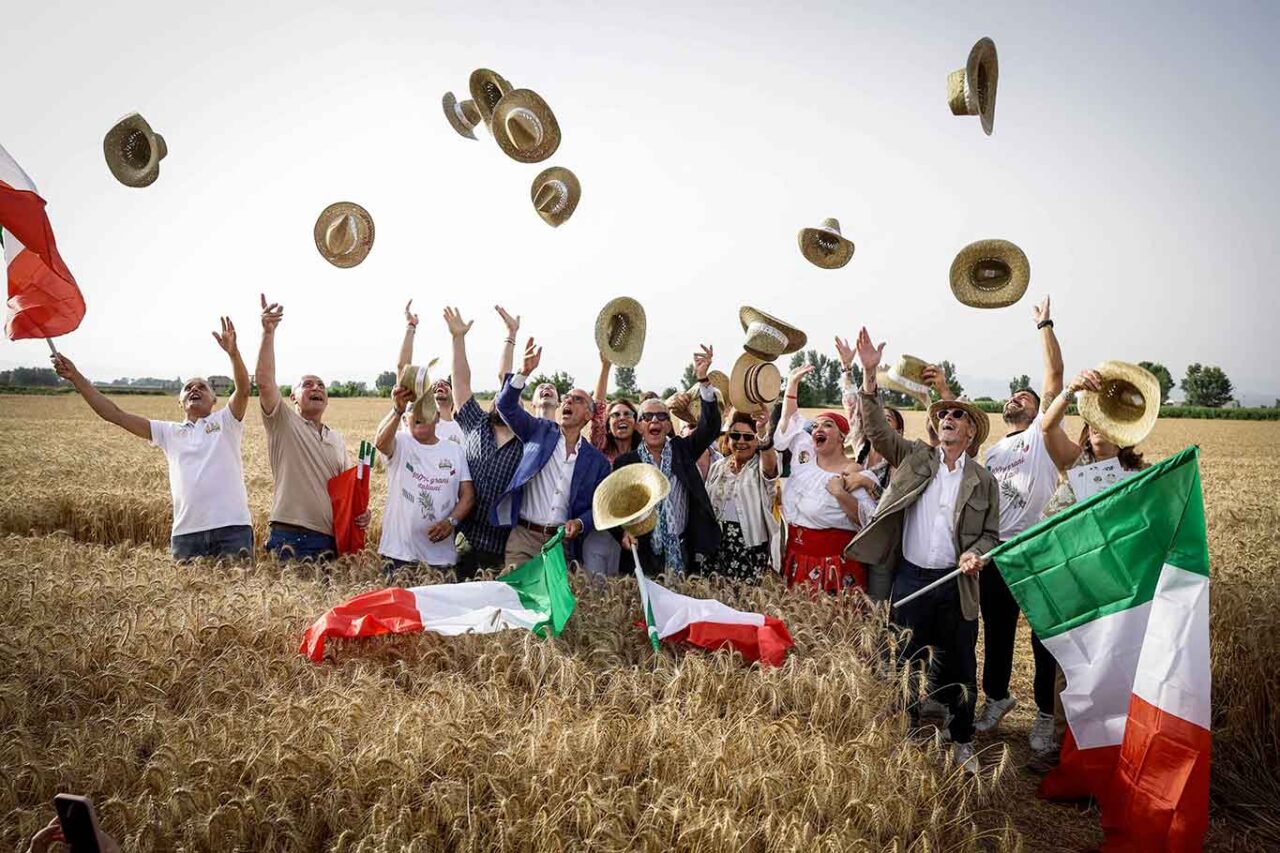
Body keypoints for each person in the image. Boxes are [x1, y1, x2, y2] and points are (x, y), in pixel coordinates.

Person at [845, 326, 1000, 775]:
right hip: (910, 577)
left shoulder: (983, 480)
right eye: (943, 414)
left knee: (959, 667)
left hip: (955, 584)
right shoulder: (915, 457)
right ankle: (908, 732)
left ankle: (962, 738)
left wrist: (977, 554)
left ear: (970, 431)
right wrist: (870, 374)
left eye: (957, 415)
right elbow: (875, 429)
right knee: (905, 660)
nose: (948, 418)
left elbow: (991, 533)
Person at [1025, 367, 1151, 767]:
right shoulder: (1075, 465)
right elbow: (1046, 428)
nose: (1097, 429)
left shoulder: (1140, 478)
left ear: (1123, 431)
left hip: (1117, 588)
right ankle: (1067, 752)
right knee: (1071, 667)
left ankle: (1115, 752)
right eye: (1092, 423)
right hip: (1073, 584)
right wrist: (1071, 390)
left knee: (1115, 668)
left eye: (1106, 424)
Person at [50, 317, 253, 562]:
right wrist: (76, 377)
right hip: (187, 534)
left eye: (202, 387)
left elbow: (243, 389)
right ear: (180, 402)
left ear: (214, 401)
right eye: (188, 388)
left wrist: (233, 353)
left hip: (232, 529)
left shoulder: (226, 422)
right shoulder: (168, 432)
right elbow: (114, 414)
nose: (194, 389)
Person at [973, 297, 1065, 743]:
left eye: (1025, 396)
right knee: (997, 632)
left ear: (1037, 411)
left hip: (1038, 549)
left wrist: (1044, 325)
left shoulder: (1040, 436)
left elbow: (1054, 378)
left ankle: (1045, 716)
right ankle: (996, 699)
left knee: (1045, 637)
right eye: (1013, 395)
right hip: (998, 551)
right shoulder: (992, 453)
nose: (1017, 397)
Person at [256, 293, 364, 561]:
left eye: (321, 386)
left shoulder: (336, 439)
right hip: (290, 536)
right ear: (292, 398)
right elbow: (265, 382)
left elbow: (347, 493)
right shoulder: (283, 422)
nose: (316, 388)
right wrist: (268, 333)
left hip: (331, 539)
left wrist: (361, 515)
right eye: (307, 384)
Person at [492, 337, 612, 567]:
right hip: (523, 539)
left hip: (559, 544)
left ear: (588, 415)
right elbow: (505, 406)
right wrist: (523, 372)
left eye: (577, 400)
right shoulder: (539, 431)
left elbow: (598, 506)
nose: (568, 401)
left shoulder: (596, 462)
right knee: (512, 598)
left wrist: (580, 522)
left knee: (554, 603)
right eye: (566, 398)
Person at [613, 345, 721, 576]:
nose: (655, 421)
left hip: (682, 549)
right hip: (642, 551)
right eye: (647, 417)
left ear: (669, 425)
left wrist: (703, 380)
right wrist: (621, 534)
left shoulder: (683, 450)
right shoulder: (626, 463)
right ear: (639, 426)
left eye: (662, 416)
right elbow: (613, 507)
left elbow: (710, 427)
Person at [774, 363, 880, 593]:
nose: (818, 429)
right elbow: (789, 420)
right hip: (796, 558)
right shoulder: (803, 461)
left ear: (842, 437)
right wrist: (792, 385)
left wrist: (841, 494)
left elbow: (869, 521)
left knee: (833, 626)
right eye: (816, 425)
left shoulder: (854, 474)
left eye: (828, 425)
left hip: (835, 566)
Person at [446, 305, 525, 575]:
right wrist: (458, 339)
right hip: (465, 539)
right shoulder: (475, 423)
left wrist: (512, 336)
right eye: (499, 397)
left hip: (505, 548)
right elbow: (461, 381)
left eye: (510, 400)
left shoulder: (529, 444)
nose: (502, 402)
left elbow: (508, 378)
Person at [373, 378, 475, 579]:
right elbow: (381, 444)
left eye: (425, 408)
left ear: (437, 417)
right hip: (399, 555)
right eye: (413, 410)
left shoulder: (454, 450)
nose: (419, 413)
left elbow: (468, 496)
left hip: (441, 558)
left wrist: (451, 521)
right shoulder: (401, 443)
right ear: (405, 419)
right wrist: (397, 410)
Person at [705, 409, 779, 582]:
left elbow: (770, 467)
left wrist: (762, 431)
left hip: (749, 545)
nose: (741, 441)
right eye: (735, 435)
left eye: (748, 437)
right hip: (716, 544)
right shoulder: (718, 466)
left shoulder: (760, 466)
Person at [397, 300, 464, 446]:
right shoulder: (415, 420)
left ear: (455, 399)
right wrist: (411, 326)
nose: (440, 384)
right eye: (435, 385)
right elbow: (403, 370)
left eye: (446, 385)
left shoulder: (462, 430)